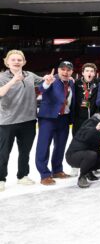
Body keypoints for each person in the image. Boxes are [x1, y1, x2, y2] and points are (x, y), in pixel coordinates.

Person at [0, 50, 45, 191]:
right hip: (7, 122)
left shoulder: (30, 75)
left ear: (24, 62)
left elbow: (45, 81)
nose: (16, 62)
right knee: (3, 153)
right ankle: (1, 178)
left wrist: (52, 78)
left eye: (19, 60)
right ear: (7, 62)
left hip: (29, 120)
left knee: (25, 151)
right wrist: (14, 80)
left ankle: (23, 175)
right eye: (13, 60)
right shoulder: (2, 77)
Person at [35, 61, 75, 185]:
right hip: (48, 118)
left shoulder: (71, 82)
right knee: (43, 146)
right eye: (63, 69)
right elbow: (41, 88)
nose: (65, 72)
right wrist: (46, 83)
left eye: (68, 70)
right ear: (58, 70)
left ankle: (57, 170)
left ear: (72, 72)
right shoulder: (51, 79)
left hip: (64, 118)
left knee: (60, 145)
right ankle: (44, 174)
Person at [66, 104, 100, 188]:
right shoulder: (92, 121)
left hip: (94, 154)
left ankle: (88, 170)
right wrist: (96, 129)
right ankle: (82, 176)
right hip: (75, 155)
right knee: (91, 155)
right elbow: (83, 136)